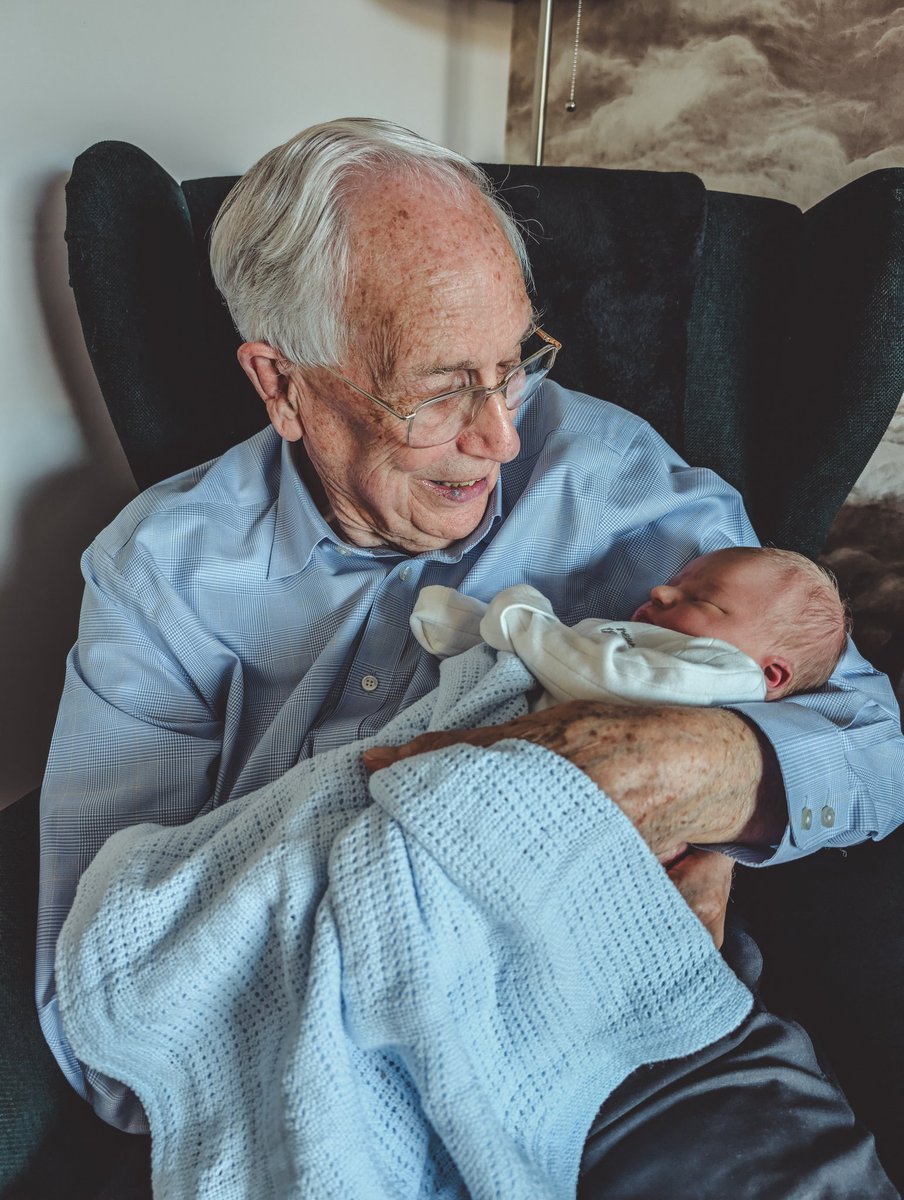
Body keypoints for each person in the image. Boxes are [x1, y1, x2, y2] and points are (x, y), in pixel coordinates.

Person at [37, 117, 903, 1194]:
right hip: (307, 1064)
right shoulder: (159, 574)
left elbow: (868, 743)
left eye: (515, 365)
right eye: (441, 389)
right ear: (281, 383)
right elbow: (101, 973)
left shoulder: (614, 479)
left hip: (631, 1033)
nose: (500, 435)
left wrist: (713, 770)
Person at [409, 545, 850, 708]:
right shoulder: (646, 642)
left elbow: (607, 680)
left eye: (702, 600)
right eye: (677, 582)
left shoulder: (730, 674)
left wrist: (521, 616)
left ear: (770, 674)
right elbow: (554, 659)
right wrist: (471, 625)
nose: (661, 591)